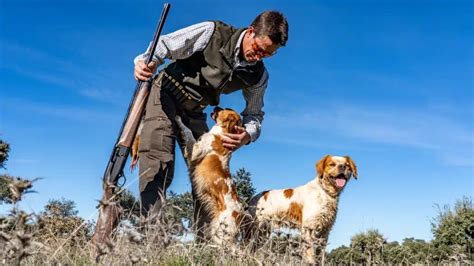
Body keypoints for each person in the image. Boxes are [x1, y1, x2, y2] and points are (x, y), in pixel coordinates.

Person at [134, 10, 288, 221]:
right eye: (259, 49)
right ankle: (152, 236)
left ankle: (207, 247)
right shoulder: (212, 32)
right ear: (251, 32)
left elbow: (254, 114)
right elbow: (165, 45)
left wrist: (248, 135)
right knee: (159, 160)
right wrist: (146, 61)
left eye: (269, 54)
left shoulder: (259, 76)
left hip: (196, 109)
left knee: (210, 173)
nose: (260, 56)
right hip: (166, 94)